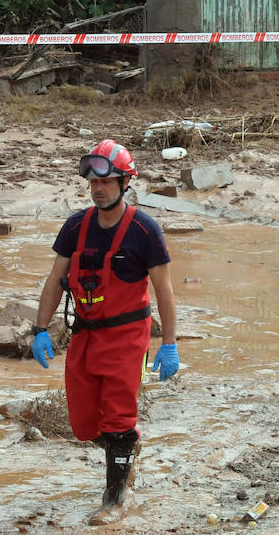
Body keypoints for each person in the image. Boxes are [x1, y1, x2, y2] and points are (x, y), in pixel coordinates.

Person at [31, 139, 179, 525]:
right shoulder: (76, 225)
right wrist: (39, 329)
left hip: (127, 336)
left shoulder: (145, 231)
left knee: (117, 419)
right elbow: (54, 279)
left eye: (109, 181)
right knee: (83, 425)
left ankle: (114, 499)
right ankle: (127, 447)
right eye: (94, 183)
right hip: (84, 334)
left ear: (125, 182)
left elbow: (164, 291)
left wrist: (170, 344)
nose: (99, 189)